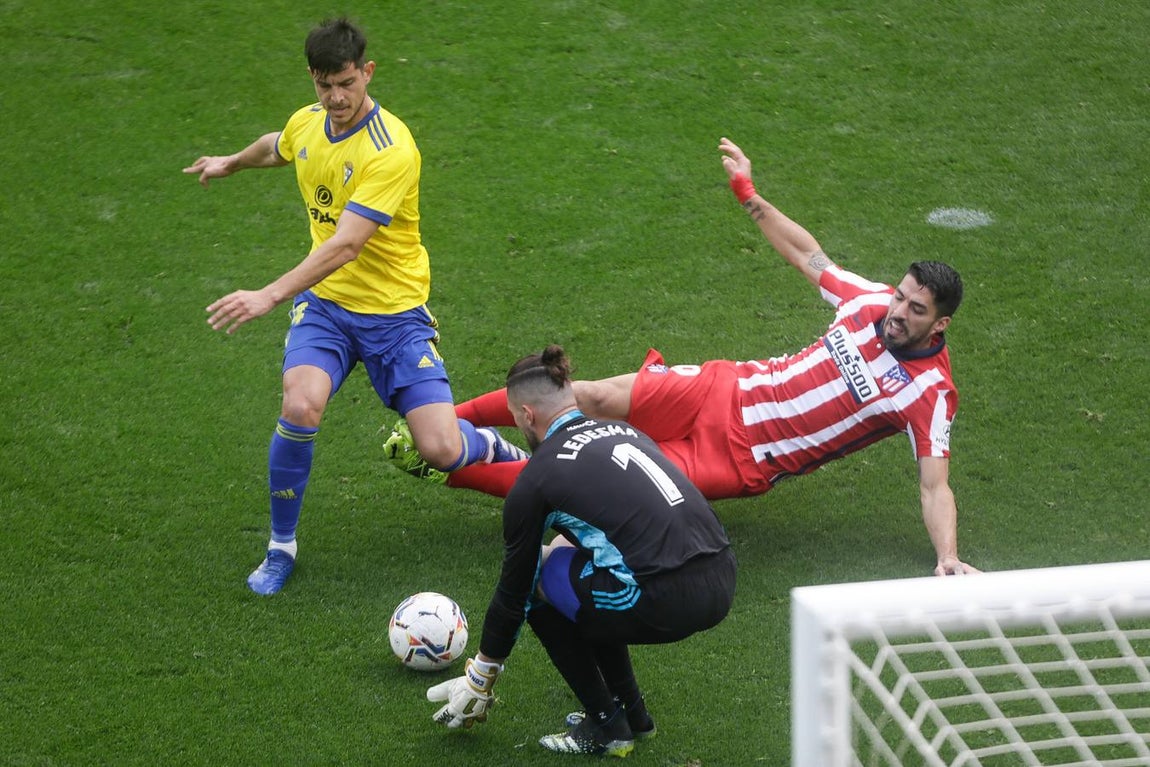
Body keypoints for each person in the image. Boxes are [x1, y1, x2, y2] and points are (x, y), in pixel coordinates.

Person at [390, 137, 979, 577]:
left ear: (941, 323)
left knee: (589, 481)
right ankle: (446, 424)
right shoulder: (869, 302)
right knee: (590, 396)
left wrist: (948, 556)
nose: (897, 312)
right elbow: (810, 257)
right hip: (724, 389)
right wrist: (749, 195)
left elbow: (935, 487)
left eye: (915, 309)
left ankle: (446, 466)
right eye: (900, 296)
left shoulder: (930, 395)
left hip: (739, 459)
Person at [183, 18, 526, 596]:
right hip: (328, 309)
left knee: (440, 449)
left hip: (395, 315)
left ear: (367, 72)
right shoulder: (310, 122)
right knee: (300, 405)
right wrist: (231, 161)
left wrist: (268, 294)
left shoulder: (391, 149)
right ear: (312, 81)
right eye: (324, 85)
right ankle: (280, 547)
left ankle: (490, 443)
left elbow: (346, 244)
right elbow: (280, 146)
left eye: (346, 82)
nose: (336, 98)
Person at [425, 345, 736, 756]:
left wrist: (482, 673)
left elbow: (514, 591)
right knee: (574, 559)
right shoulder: (630, 433)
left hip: (664, 597)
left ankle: (607, 727)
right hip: (722, 576)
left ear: (526, 415)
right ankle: (634, 716)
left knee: (541, 576)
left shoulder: (537, 478)